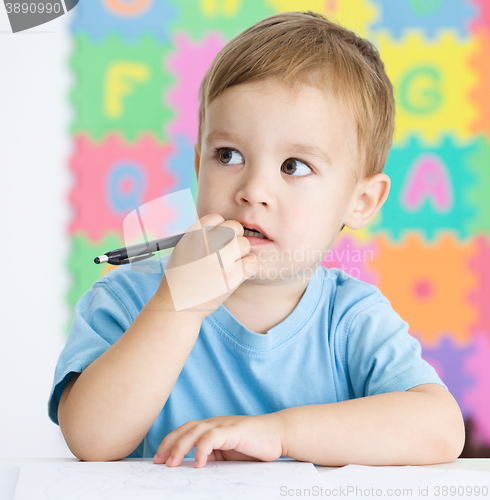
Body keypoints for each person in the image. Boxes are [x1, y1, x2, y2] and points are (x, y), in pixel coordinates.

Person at [49, 11, 465, 467]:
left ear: (361, 201)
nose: (252, 191)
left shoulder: (350, 320)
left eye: (293, 166)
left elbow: (440, 432)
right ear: (197, 166)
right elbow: (89, 439)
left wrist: (281, 433)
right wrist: (176, 307)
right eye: (228, 155)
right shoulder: (127, 299)